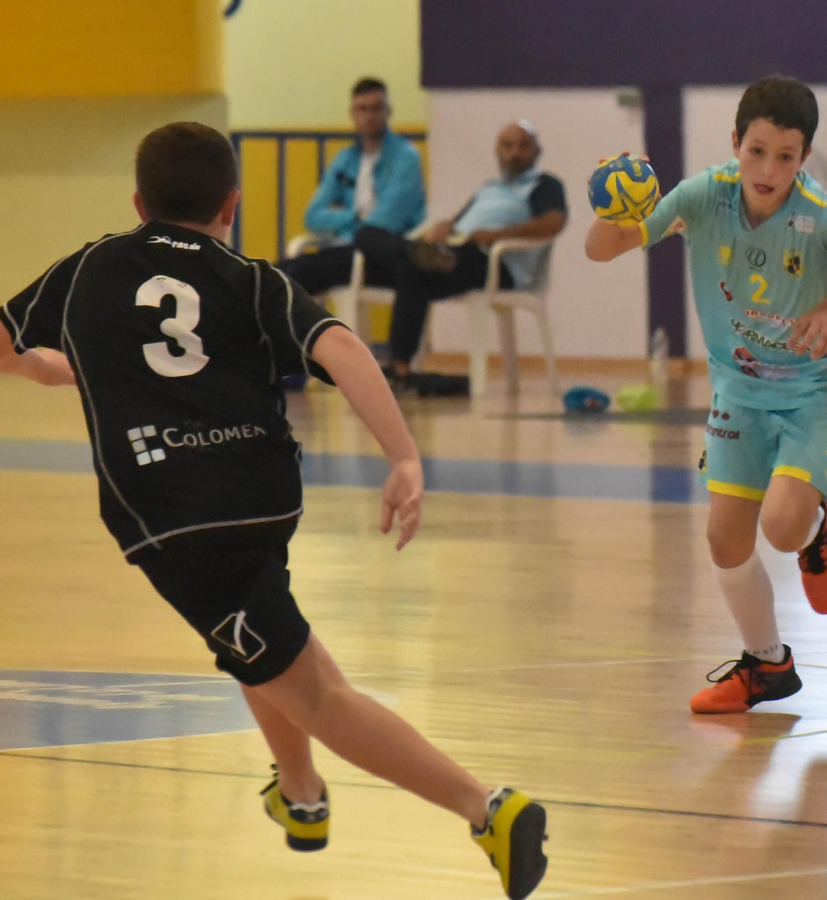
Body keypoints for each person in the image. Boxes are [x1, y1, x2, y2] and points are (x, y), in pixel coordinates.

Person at [0, 123, 547, 899]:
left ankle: (486, 808)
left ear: (136, 202)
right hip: (262, 498)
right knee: (269, 647)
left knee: (313, 692)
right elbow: (346, 349)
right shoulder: (253, 278)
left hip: (178, 520)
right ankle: (300, 796)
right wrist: (403, 456)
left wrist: (43, 361)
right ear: (232, 204)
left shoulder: (89, 267)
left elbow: (9, 344)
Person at [584, 76, 827, 714]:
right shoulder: (705, 195)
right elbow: (600, 251)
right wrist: (611, 210)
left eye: (786, 156)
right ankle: (767, 665)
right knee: (726, 538)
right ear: (735, 143)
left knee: (781, 527)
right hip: (742, 382)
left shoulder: (824, 216)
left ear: (805, 158)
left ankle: (817, 529)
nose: (769, 168)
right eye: (757, 151)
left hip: (819, 381)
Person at [376, 120, 568, 395]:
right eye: (507, 145)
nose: (515, 153)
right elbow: (460, 226)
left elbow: (553, 223)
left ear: (537, 151)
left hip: (495, 264)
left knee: (411, 264)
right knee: (406, 266)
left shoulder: (544, 185)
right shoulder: (487, 189)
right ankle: (402, 368)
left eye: (523, 146)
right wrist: (446, 227)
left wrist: (497, 235)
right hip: (458, 255)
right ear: (497, 151)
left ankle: (399, 365)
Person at [279, 77, 427, 298]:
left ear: (388, 112)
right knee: (275, 274)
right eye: (363, 109)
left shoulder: (405, 158)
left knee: (297, 276)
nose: (370, 116)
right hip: (342, 249)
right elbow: (313, 216)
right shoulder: (346, 159)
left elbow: (386, 223)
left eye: (377, 108)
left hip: (380, 256)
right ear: (353, 113)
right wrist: (356, 215)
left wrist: (344, 221)